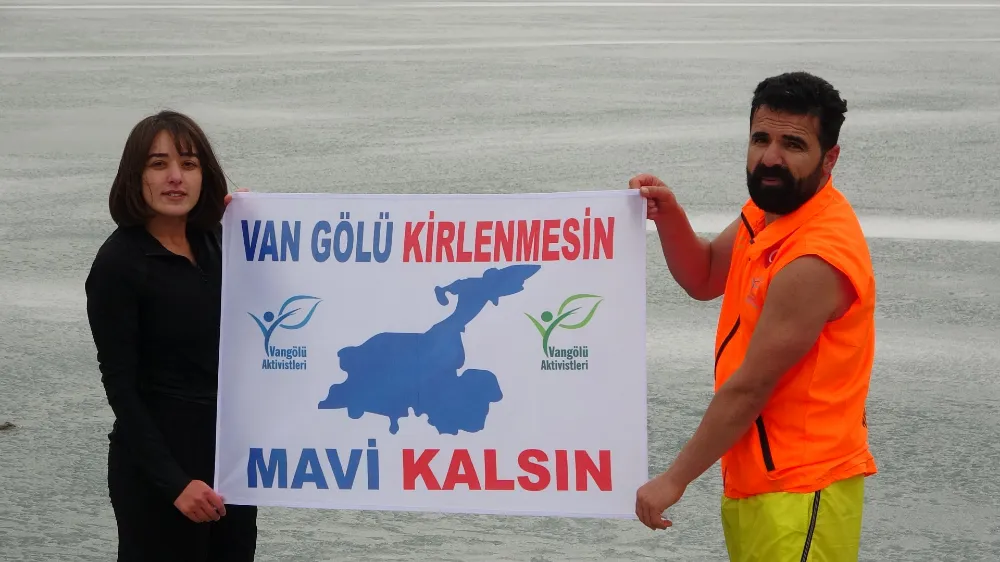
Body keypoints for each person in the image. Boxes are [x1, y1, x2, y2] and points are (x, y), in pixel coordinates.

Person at [632, 71, 877, 561]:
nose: (770, 158)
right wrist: (669, 214)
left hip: (802, 488)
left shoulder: (815, 256)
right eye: (761, 139)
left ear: (829, 158)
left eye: (793, 144)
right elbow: (704, 276)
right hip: (756, 480)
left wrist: (674, 479)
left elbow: (751, 387)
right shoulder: (769, 213)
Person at [85, 110, 256, 561]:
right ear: (135, 176)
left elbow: (282, 298)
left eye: (189, 163)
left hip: (230, 468)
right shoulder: (119, 264)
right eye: (158, 164)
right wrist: (174, 483)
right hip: (159, 478)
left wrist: (260, 222)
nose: (175, 177)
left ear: (205, 176)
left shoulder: (219, 244)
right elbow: (120, 387)